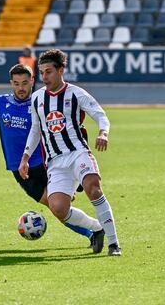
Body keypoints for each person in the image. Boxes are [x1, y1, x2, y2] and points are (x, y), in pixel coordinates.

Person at [0, 64, 103, 249]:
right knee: (56, 209)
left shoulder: (40, 102)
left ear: (32, 81)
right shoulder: (0, 103)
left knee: (58, 206)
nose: (20, 88)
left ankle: (79, 196)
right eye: (16, 84)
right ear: (11, 84)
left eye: (24, 83)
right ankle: (93, 232)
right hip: (19, 168)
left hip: (45, 163)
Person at [18, 49, 121, 256]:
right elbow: (35, 129)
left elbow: (100, 115)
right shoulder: (37, 98)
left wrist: (103, 133)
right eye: (42, 72)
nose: (44, 77)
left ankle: (114, 243)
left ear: (61, 70)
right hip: (56, 162)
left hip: (78, 153)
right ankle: (97, 227)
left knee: (93, 189)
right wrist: (26, 157)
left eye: (49, 72)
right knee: (58, 209)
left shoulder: (76, 93)